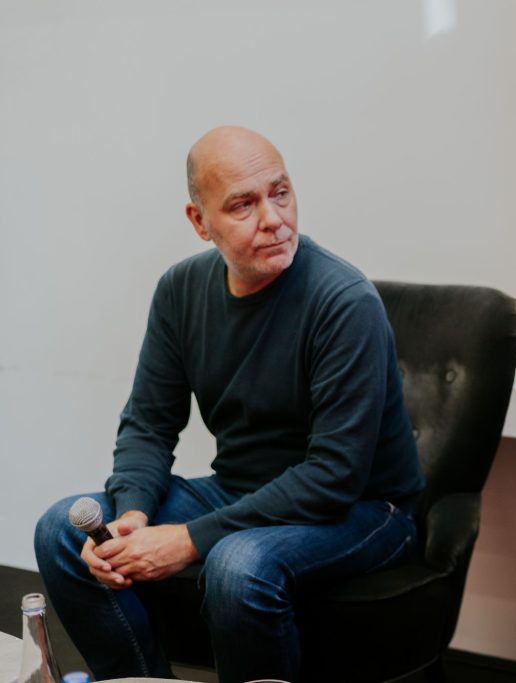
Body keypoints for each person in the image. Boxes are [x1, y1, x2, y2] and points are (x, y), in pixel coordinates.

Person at [34, 126, 425, 683]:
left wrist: (188, 541)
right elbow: (148, 423)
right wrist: (132, 518)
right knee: (63, 532)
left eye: (281, 193)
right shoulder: (180, 291)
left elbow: (335, 476)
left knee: (236, 564)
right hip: (243, 487)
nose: (273, 218)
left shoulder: (344, 302)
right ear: (200, 223)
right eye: (243, 204)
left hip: (366, 509)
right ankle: (144, 680)